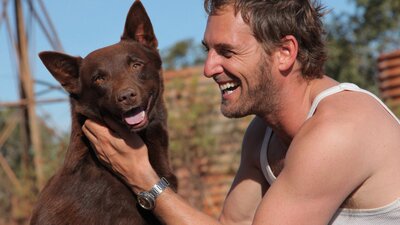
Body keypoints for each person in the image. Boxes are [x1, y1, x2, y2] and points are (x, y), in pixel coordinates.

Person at [82, 0, 400, 224]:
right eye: (209, 51)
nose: (209, 68)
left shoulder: (338, 130)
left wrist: (143, 179)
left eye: (227, 52)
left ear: (285, 52)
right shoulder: (262, 134)